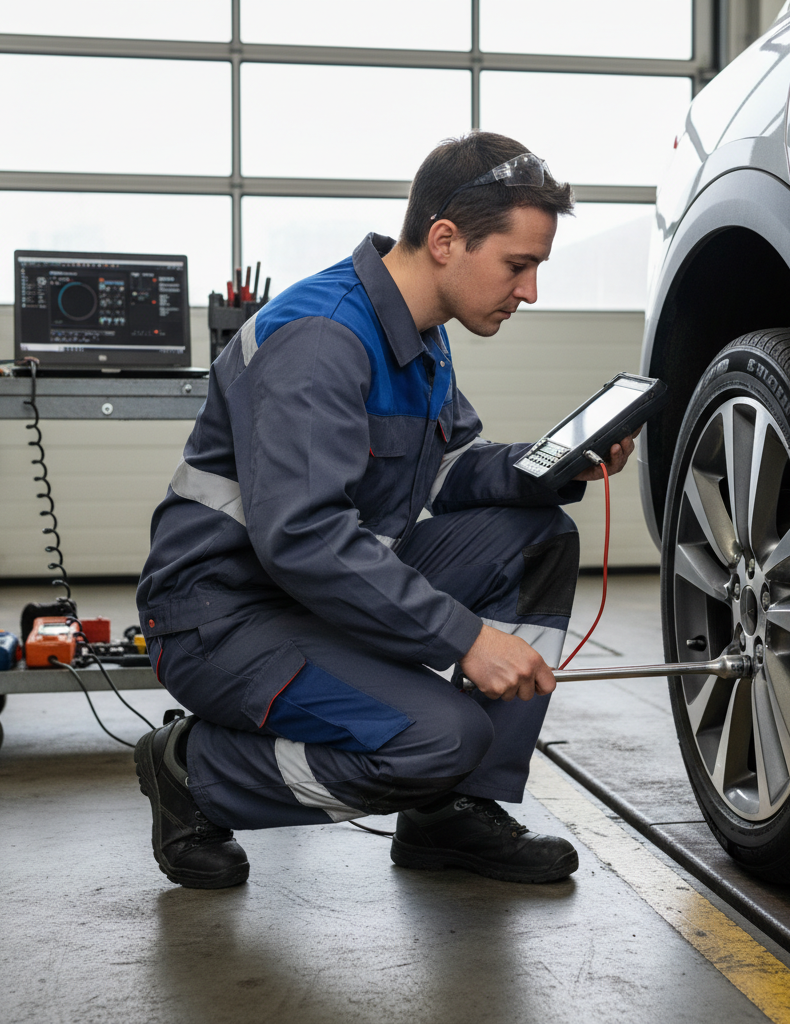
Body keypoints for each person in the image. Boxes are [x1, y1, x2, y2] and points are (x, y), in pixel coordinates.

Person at [134, 132, 637, 890]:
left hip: (311, 595)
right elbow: (304, 538)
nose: (529, 291)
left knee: (537, 538)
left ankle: (455, 816)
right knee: (441, 737)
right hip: (223, 618)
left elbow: (453, 466)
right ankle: (194, 771)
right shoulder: (323, 338)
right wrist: (468, 639)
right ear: (445, 240)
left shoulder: (422, 336)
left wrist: (551, 464)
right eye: (518, 264)